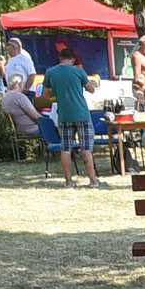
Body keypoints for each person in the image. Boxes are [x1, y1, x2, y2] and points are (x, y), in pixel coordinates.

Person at [44, 45, 106, 189]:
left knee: (66, 149)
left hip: (64, 115)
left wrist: (58, 91)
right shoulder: (79, 71)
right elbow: (91, 89)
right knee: (86, 149)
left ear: (60, 58)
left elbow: (46, 94)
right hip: (82, 114)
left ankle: (68, 182)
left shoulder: (50, 72)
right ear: (72, 60)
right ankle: (93, 180)